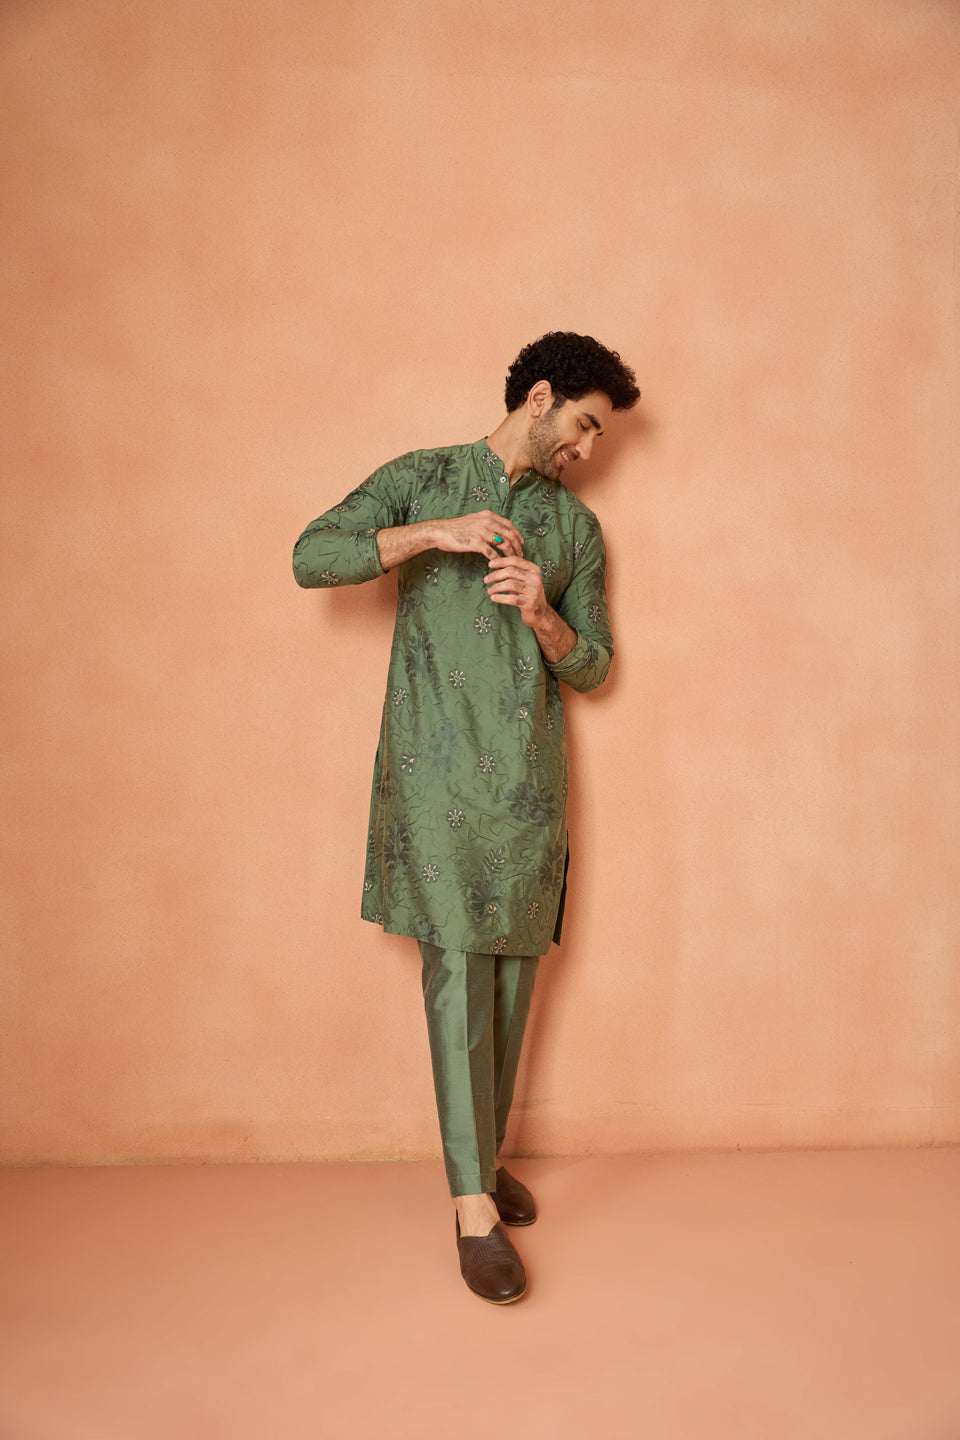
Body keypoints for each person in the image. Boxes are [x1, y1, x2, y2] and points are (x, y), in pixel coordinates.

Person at [293, 331, 640, 1303]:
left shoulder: (574, 531)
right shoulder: (423, 478)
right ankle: (472, 1210)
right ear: (539, 396)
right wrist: (429, 534)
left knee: (511, 982)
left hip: (528, 787)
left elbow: (596, 665)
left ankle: (479, 1159)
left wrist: (542, 614)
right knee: (455, 972)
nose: (587, 448)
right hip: (435, 776)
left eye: (599, 436)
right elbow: (311, 556)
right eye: (584, 425)